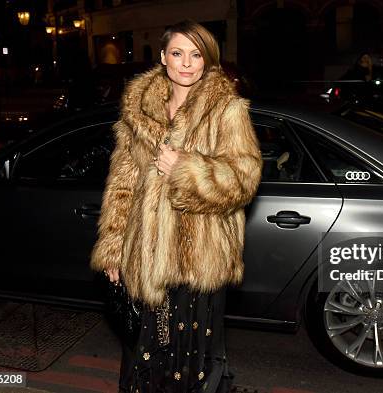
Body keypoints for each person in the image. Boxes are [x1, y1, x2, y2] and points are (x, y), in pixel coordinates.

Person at [89, 20, 263, 393]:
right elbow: (123, 185)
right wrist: (114, 250)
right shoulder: (138, 111)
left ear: (207, 60)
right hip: (146, 259)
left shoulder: (226, 109)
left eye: (196, 54)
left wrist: (186, 168)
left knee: (191, 365)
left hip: (199, 260)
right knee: (146, 356)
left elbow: (245, 178)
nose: (186, 64)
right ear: (164, 58)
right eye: (178, 53)